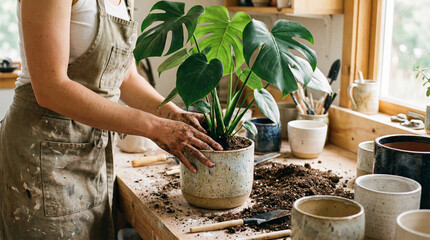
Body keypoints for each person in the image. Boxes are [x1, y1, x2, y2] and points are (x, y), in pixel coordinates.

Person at [0, 0, 222, 239]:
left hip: (93, 155)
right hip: (42, 158)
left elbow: (126, 77)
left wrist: (174, 115)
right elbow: (51, 88)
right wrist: (156, 127)